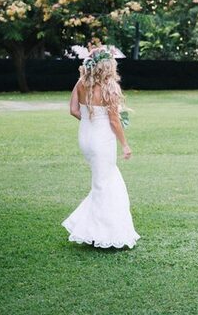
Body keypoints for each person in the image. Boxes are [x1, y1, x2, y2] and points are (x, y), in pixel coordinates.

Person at [62, 45, 140, 249]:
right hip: (102, 141)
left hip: (86, 138)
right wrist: (125, 145)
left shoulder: (81, 83)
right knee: (107, 184)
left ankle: (91, 228)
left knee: (102, 182)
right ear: (107, 66)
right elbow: (114, 122)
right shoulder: (109, 88)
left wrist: (90, 120)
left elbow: (73, 110)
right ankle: (105, 234)